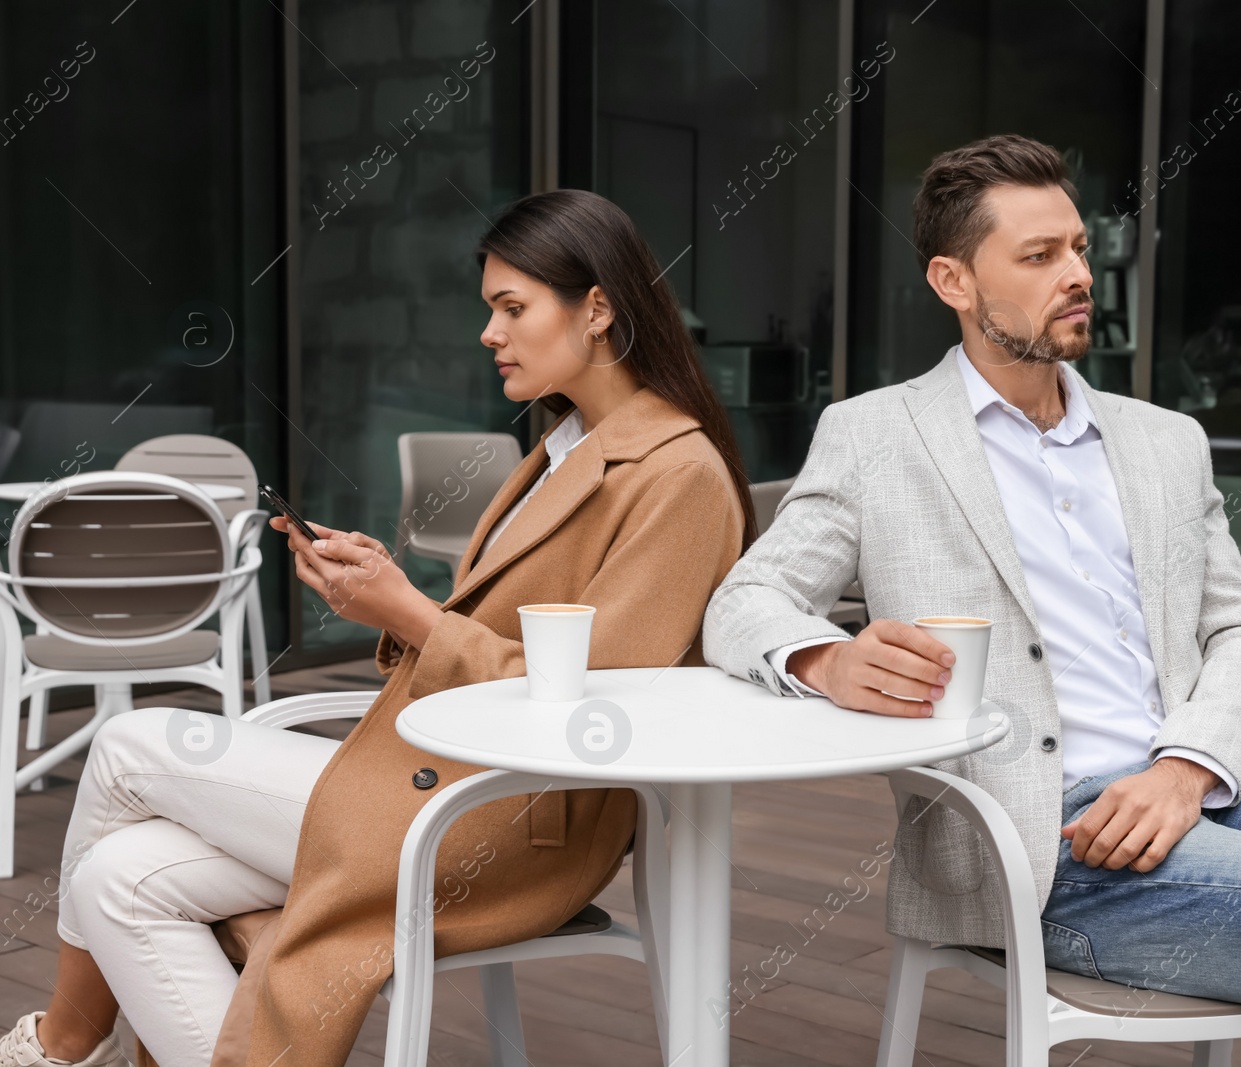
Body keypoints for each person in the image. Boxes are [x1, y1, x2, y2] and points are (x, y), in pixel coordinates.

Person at [702, 134, 1241, 1065]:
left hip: (1203, 786)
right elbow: (747, 599)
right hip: (1047, 841)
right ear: (954, 282)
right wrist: (828, 657)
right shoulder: (874, 436)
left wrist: (1187, 768)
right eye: (1038, 257)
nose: (1077, 274)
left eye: (1076, 247)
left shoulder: (1163, 441)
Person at [3, 188, 754, 1067]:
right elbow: (486, 633)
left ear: (597, 308)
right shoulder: (563, 448)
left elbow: (595, 707)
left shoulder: (678, 475)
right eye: (490, 310)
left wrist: (410, 611)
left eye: (513, 308)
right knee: (114, 876)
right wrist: (383, 603)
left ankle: (59, 1050)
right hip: (428, 773)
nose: (490, 333)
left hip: (510, 816)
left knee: (128, 743)